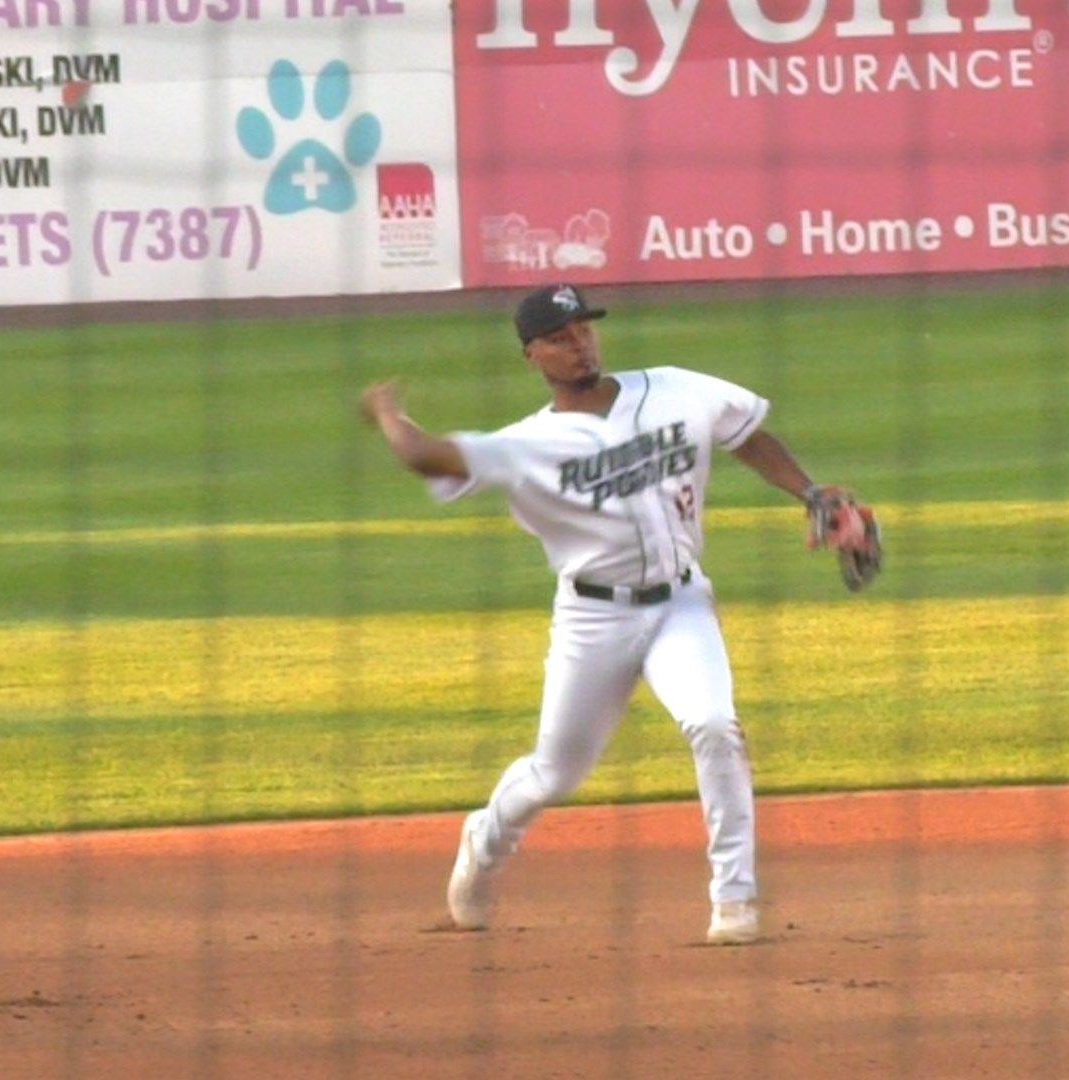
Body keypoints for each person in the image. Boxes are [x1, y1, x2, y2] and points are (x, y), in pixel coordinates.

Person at [360, 283, 859, 944]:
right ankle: (484, 839)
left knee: (714, 724)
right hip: (591, 621)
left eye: (585, 329)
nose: (579, 344)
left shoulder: (674, 390)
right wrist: (387, 411)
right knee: (553, 773)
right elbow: (425, 456)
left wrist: (811, 492)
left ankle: (734, 900)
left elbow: (745, 434)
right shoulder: (526, 444)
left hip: (681, 602)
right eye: (561, 338)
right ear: (531, 355)